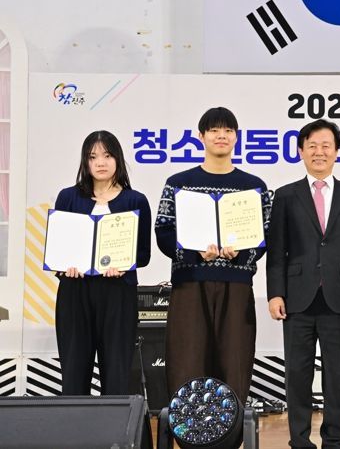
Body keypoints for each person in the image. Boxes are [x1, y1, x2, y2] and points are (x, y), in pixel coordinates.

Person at [266, 119, 340, 449]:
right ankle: (299, 440)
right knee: (297, 375)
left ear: (337, 151)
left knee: (337, 375)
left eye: (326, 145)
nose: (319, 152)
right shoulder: (285, 195)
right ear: (301, 151)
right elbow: (276, 251)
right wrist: (275, 293)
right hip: (296, 298)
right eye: (312, 145)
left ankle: (336, 440)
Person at [154, 107, 271, 400]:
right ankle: (188, 425)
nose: (222, 136)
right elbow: (164, 231)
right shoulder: (179, 183)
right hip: (190, 283)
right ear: (201, 136)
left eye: (228, 131)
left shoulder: (253, 187)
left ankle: (230, 425)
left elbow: (265, 236)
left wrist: (241, 253)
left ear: (237, 137)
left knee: (235, 361)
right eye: (214, 130)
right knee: (187, 360)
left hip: (237, 285)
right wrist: (193, 255)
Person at [54, 130, 151, 395]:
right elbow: (58, 249)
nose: (100, 162)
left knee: (117, 371)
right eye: (93, 156)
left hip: (118, 292)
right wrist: (65, 266)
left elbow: (143, 254)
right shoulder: (67, 197)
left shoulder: (136, 200)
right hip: (75, 291)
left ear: (117, 159)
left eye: (107, 156)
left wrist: (124, 264)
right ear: (85, 162)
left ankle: (115, 423)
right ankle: (74, 423)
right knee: (74, 370)